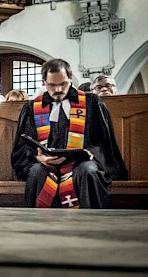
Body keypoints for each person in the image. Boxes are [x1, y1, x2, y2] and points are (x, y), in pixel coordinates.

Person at [10, 58, 126, 208]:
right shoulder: (32, 107)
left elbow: (103, 142)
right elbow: (23, 145)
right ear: (44, 82)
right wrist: (39, 157)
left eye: (63, 84)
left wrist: (89, 153)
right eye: (52, 85)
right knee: (37, 172)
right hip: (46, 165)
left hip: (81, 164)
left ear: (70, 79)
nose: (58, 90)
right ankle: (41, 227)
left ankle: (90, 226)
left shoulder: (91, 102)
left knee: (88, 171)